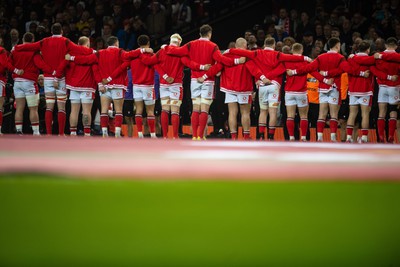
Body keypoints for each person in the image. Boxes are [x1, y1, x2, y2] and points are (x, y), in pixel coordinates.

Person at [166, 24, 245, 140]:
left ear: (200, 34)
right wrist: (237, 60)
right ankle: (200, 136)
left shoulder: (191, 44)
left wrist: (165, 47)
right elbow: (222, 61)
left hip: (194, 80)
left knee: (195, 108)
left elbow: (176, 52)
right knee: (204, 109)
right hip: (207, 81)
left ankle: (194, 136)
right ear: (210, 34)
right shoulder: (213, 46)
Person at [13, 23, 92, 136]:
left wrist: (16, 47)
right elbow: (80, 49)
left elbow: (30, 46)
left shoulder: (44, 41)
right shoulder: (66, 41)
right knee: (61, 108)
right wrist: (93, 52)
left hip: (48, 78)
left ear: (51, 31)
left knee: (49, 107)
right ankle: (60, 134)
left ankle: (49, 134)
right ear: (62, 32)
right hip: (61, 78)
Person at [68, 36, 152, 137]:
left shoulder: (99, 53)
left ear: (108, 44)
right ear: (116, 43)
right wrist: (143, 50)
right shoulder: (120, 52)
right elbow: (131, 54)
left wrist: (72, 58)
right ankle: (117, 131)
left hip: (105, 85)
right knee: (118, 110)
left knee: (104, 110)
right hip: (118, 84)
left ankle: (104, 131)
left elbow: (86, 60)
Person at [229, 37, 311, 140]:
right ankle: (271, 137)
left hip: (262, 86)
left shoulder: (257, 53)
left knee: (263, 112)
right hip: (274, 87)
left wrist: (229, 50)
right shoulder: (278, 55)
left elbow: (245, 54)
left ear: (264, 44)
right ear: (274, 45)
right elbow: (291, 59)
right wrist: (306, 58)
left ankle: (261, 136)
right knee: (273, 112)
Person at [287, 37, 367, 142]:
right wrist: (361, 73)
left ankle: (320, 137)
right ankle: (333, 138)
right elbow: (347, 69)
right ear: (337, 46)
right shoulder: (340, 57)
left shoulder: (321, 57)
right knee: (334, 115)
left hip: (322, 88)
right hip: (334, 88)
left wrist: (294, 72)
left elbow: (309, 68)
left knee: (322, 114)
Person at [140, 33, 205, 139]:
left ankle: (165, 136)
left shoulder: (161, 51)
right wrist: (202, 66)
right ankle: (175, 136)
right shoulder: (180, 53)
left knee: (165, 110)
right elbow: (190, 64)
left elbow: (149, 62)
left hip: (164, 85)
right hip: (176, 85)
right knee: (175, 111)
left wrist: (141, 52)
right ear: (179, 42)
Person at [203, 37, 267, 140]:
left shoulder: (227, 54)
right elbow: (254, 69)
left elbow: (218, 68)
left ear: (236, 46)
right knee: (245, 113)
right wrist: (262, 78)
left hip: (229, 88)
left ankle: (233, 136)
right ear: (245, 46)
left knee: (232, 112)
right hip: (244, 88)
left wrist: (205, 76)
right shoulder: (248, 55)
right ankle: (246, 136)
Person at [10, 32, 53, 135]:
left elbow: (9, 63)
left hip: (17, 82)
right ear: (33, 40)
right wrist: (52, 70)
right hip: (29, 83)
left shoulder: (15, 49)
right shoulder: (34, 51)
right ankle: (36, 132)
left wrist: (15, 71)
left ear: (22, 39)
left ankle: (19, 130)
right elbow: (40, 64)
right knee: (33, 109)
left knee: (19, 108)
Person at [283, 43, 325, 141]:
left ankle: (291, 137)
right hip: (301, 92)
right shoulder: (305, 62)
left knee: (290, 116)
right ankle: (303, 137)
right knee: (303, 116)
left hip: (289, 92)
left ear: (292, 51)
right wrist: (325, 80)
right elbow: (314, 73)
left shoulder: (286, 61)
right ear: (301, 51)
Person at [56, 36, 96, 137]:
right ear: (88, 43)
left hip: (73, 86)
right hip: (88, 86)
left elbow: (62, 66)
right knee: (86, 111)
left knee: (74, 111)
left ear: (78, 44)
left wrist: (56, 78)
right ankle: (87, 133)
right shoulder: (93, 53)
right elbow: (89, 61)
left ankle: (73, 133)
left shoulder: (71, 54)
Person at [345, 41, 375, 143]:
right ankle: (364, 138)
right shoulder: (371, 60)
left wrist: (351, 57)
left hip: (353, 90)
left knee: (352, 114)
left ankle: (349, 137)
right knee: (365, 114)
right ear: (368, 49)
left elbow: (350, 70)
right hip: (365, 90)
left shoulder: (351, 59)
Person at [371, 37, 400, 143]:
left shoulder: (379, 56)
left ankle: (381, 136)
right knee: (393, 112)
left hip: (382, 87)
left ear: (386, 45)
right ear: (396, 46)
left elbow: (373, 69)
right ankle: (391, 136)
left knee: (382, 112)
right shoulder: (397, 56)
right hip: (395, 87)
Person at [123, 69, 134, 137]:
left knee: (128, 120)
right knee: (118, 118)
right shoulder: (119, 71)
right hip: (118, 98)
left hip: (129, 99)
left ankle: (130, 137)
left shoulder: (131, 72)